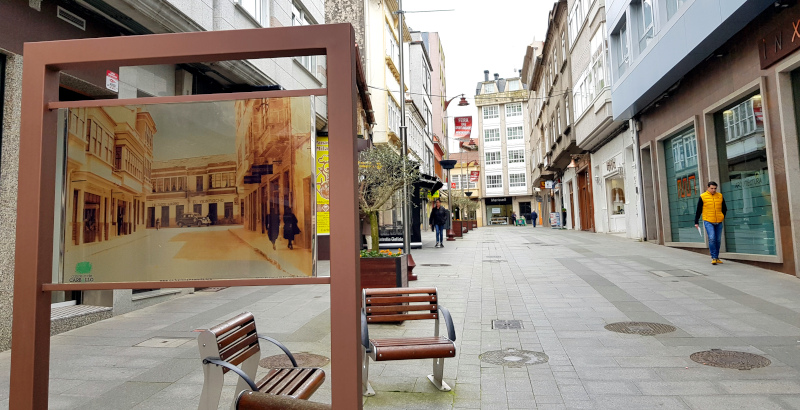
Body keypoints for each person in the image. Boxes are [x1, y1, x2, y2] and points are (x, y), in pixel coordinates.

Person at [695, 181, 727, 265]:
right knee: (712, 238)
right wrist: (696, 222)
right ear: (708, 187)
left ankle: (716, 257)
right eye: (712, 188)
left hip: (719, 221)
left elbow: (724, 208)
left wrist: (722, 216)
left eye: (715, 188)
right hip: (708, 220)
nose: (713, 190)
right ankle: (713, 257)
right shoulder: (703, 196)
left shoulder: (720, 196)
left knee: (718, 240)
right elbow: (698, 210)